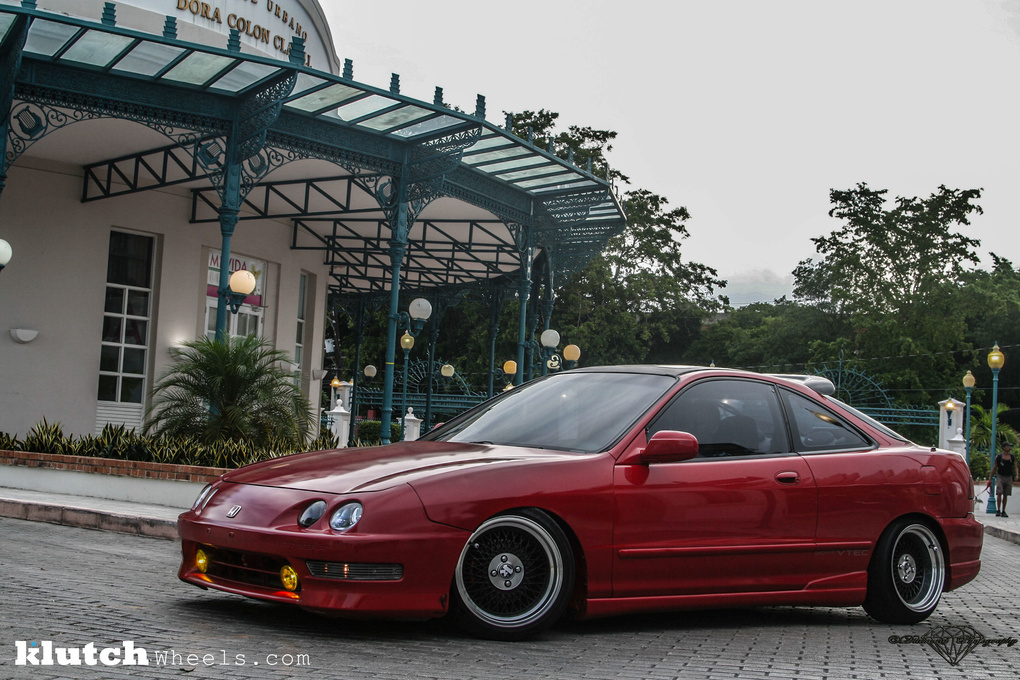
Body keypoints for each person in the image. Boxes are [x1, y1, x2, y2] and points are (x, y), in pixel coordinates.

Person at [988, 442, 1019, 517]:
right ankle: (998, 510)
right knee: (999, 493)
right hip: (1000, 476)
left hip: (1008, 477)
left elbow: (1015, 466)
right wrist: (990, 477)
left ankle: (1003, 510)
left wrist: (1017, 475)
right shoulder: (999, 457)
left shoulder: (1012, 457)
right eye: (1008, 446)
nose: (1009, 448)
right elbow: (995, 467)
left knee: (1006, 494)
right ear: (1004, 447)